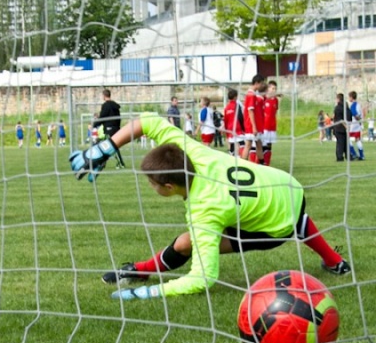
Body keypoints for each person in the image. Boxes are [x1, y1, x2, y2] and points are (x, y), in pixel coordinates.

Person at [69, 113, 351, 301]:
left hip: (276, 227)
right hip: (286, 184)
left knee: (183, 244)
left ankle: (140, 272)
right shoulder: (191, 150)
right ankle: (334, 261)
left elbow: (202, 278)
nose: (149, 187)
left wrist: (148, 294)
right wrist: (104, 149)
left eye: (152, 183)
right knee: (291, 216)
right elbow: (148, 120)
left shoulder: (205, 211)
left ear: (169, 187)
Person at [93, 89, 125, 168]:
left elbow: (102, 117)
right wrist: (117, 126)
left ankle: (120, 163)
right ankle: (102, 163)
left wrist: (95, 124)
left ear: (104, 96)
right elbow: (119, 118)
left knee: (112, 147)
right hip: (116, 128)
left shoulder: (106, 105)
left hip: (109, 128)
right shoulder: (115, 106)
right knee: (106, 146)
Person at [241, 74, 266, 164]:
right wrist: (254, 127)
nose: (262, 85)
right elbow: (250, 111)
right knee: (248, 144)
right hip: (251, 125)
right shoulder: (251, 95)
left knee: (258, 144)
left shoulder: (254, 94)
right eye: (261, 83)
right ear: (256, 83)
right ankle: (242, 164)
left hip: (255, 125)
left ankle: (262, 163)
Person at [223, 88, 245, 157]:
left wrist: (227, 131)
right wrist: (244, 128)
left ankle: (233, 156)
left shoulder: (226, 107)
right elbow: (240, 117)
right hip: (237, 127)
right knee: (242, 144)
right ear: (235, 97)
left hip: (230, 129)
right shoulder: (237, 105)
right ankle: (241, 158)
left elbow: (225, 120)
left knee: (232, 143)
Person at [262, 80, 280, 166]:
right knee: (263, 146)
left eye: (275, 89)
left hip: (272, 126)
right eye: (272, 88)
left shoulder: (276, 100)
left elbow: (275, 112)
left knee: (269, 146)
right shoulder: (264, 98)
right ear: (268, 89)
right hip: (264, 126)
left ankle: (267, 164)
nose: (274, 90)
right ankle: (262, 163)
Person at [333, 93, 352, 162]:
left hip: (339, 128)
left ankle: (340, 157)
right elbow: (349, 116)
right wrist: (348, 126)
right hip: (346, 127)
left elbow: (339, 119)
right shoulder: (346, 107)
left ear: (338, 99)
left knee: (340, 143)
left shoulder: (338, 108)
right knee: (346, 143)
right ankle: (348, 156)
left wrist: (345, 125)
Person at [348, 91, 365, 160]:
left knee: (347, 138)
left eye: (349, 97)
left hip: (353, 124)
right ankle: (361, 155)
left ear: (351, 97)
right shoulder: (358, 104)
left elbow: (355, 115)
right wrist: (360, 122)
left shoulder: (353, 105)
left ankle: (353, 153)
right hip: (358, 124)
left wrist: (357, 120)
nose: (348, 98)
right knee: (357, 139)